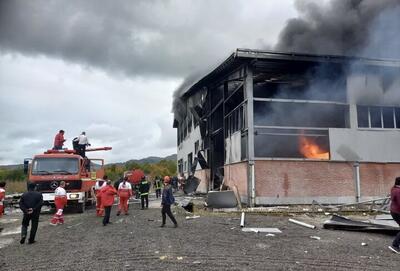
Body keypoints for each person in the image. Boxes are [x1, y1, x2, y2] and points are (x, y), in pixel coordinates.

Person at [388, 177, 400, 254]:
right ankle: (395, 245)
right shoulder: (398, 191)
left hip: (394, 211)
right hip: (398, 212)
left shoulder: (394, 188)